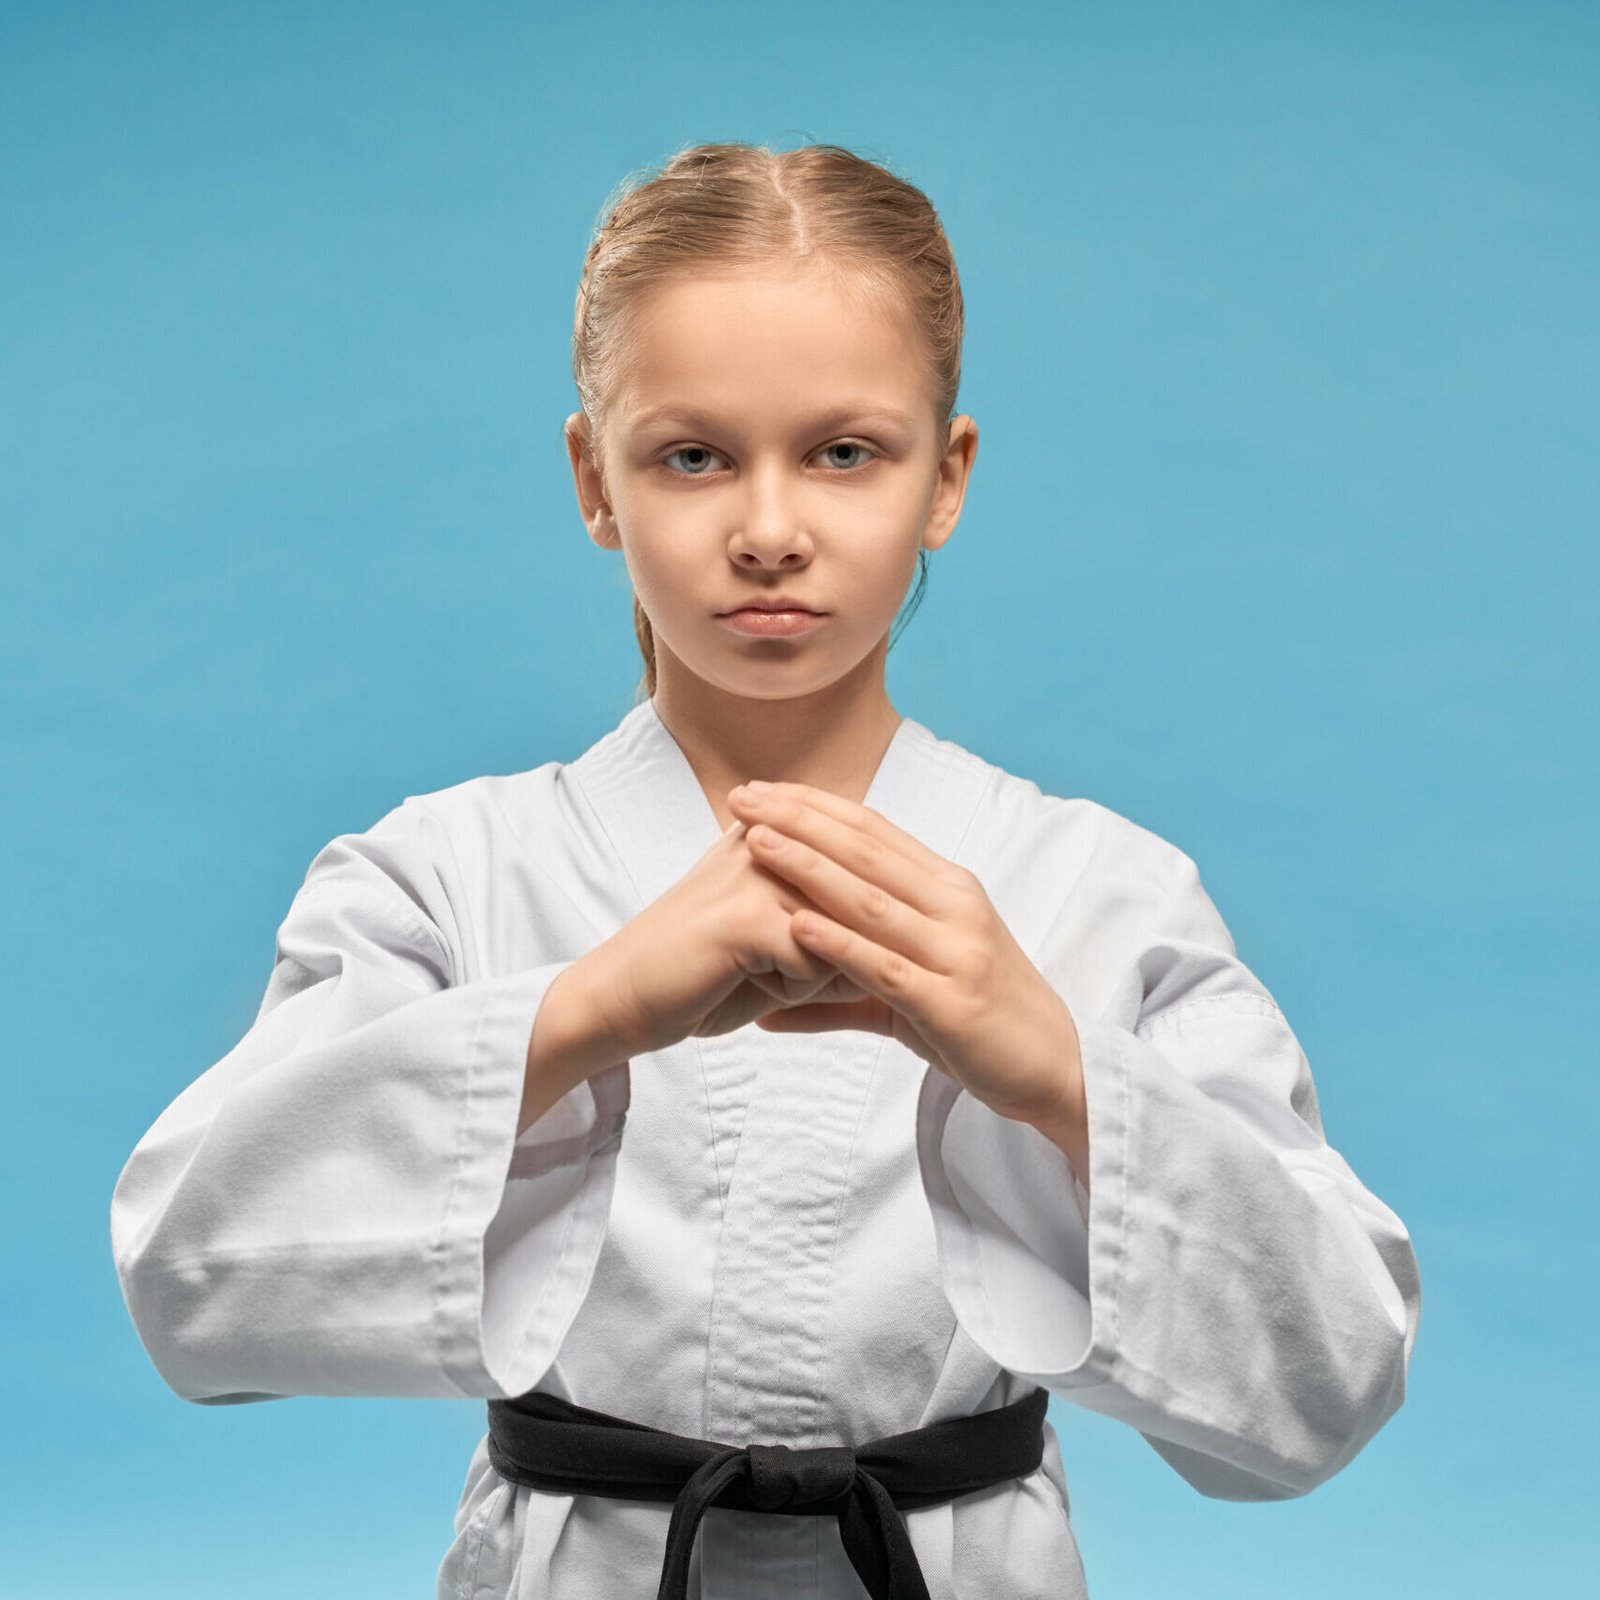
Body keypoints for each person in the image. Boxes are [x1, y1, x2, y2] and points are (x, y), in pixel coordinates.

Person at [109, 140, 1422, 1600]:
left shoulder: (1099, 891)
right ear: (592, 481)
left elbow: (1336, 1381)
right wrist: (582, 1014)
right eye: (692, 455)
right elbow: (187, 1284)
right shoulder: (441, 875)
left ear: (948, 477)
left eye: (846, 451)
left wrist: (1053, 1066)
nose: (772, 530)